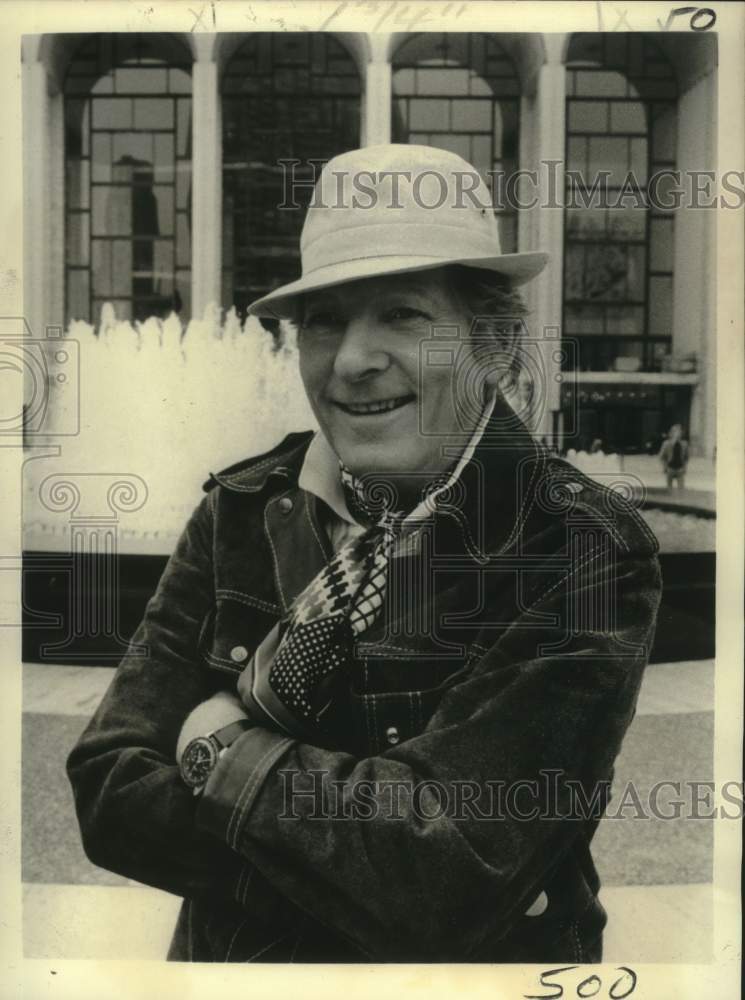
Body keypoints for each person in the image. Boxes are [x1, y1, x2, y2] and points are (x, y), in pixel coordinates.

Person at [67, 144, 662, 963]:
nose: (351, 360)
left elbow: (446, 867)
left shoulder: (578, 545)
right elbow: (107, 787)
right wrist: (353, 877)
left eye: (403, 315)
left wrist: (218, 747)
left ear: (490, 340)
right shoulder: (240, 508)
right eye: (324, 320)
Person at [659, 423, 689, 491]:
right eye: (675, 432)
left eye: (679, 432)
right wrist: (665, 467)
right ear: (671, 433)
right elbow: (662, 457)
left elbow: (686, 457)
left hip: (680, 468)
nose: (677, 434)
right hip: (670, 468)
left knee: (681, 488)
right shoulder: (666, 444)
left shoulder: (684, 444)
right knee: (669, 488)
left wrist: (685, 467)